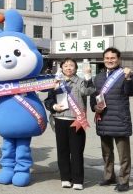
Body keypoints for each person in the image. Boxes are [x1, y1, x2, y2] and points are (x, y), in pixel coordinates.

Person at [44, 58, 94, 190]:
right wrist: (54, 106)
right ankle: (65, 178)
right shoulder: (56, 83)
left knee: (77, 151)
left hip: (76, 120)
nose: (68, 68)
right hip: (60, 120)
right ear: (61, 68)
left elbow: (88, 91)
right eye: (65, 65)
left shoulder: (81, 81)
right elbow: (48, 100)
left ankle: (78, 180)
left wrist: (88, 75)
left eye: (71, 65)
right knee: (63, 150)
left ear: (76, 68)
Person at [90, 47, 133, 192]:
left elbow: (130, 92)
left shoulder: (125, 74)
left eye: (113, 58)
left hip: (120, 119)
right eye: (107, 58)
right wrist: (94, 107)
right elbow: (93, 95)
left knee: (124, 154)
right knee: (106, 152)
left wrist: (128, 78)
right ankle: (109, 176)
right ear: (103, 60)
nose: (110, 60)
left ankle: (124, 180)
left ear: (119, 59)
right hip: (104, 119)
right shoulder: (99, 77)